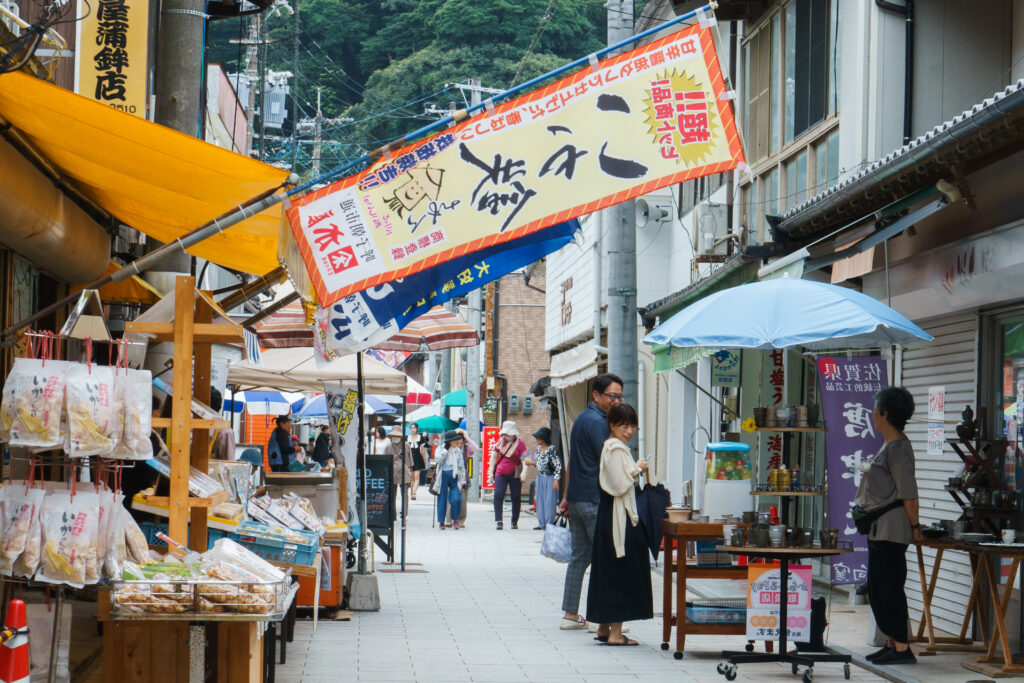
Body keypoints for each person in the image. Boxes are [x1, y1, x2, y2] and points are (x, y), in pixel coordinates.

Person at [856, 387, 921, 666]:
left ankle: (903, 648)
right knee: (880, 586)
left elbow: (909, 493)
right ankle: (893, 643)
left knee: (888, 587)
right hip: (879, 528)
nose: (872, 415)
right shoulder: (890, 446)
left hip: (891, 529)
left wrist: (916, 526)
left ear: (884, 413)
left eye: (875, 410)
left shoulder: (898, 449)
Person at [558, 373, 624, 630]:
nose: (617, 400)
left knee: (580, 557)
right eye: (612, 396)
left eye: (620, 395)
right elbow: (608, 461)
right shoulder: (598, 422)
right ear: (596, 395)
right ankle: (607, 619)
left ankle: (570, 614)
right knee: (606, 558)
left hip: (578, 497)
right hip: (595, 499)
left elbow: (572, 460)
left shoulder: (582, 419)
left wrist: (566, 497)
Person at [585, 403, 652, 646]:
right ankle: (615, 633)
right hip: (618, 519)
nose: (629, 430)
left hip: (611, 517)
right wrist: (637, 469)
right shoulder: (615, 449)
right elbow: (617, 484)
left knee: (608, 570)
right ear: (611, 425)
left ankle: (605, 628)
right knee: (621, 571)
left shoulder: (613, 447)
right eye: (623, 425)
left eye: (632, 425)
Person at [490, 420, 526, 530]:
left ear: (514, 433)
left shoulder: (521, 443)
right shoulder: (500, 442)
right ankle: (499, 521)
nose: (506, 436)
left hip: (515, 473)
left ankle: (514, 521)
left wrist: (524, 472)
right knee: (498, 495)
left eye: (508, 434)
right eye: (505, 434)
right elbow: (493, 457)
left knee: (516, 497)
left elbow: (527, 459)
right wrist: (491, 472)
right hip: (500, 472)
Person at [432, 429, 468, 529]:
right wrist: (445, 451)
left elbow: (461, 467)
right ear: (449, 441)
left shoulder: (458, 451)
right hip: (442, 476)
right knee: (442, 499)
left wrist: (463, 481)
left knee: (457, 498)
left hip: (454, 476)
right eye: (455, 440)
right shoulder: (440, 449)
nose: (457, 442)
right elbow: (438, 461)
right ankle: (441, 522)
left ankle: (455, 519)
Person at [532, 427, 561, 530]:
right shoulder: (538, 449)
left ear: (543, 438)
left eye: (537, 437)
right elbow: (539, 463)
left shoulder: (552, 449)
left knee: (549, 501)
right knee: (540, 500)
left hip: (550, 478)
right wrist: (532, 463)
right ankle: (542, 523)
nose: (536, 439)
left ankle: (549, 524)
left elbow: (558, 465)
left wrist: (556, 480)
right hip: (540, 477)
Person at [388, 426, 413, 520]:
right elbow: (410, 462)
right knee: (399, 494)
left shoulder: (405, 445)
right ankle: (396, 514)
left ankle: (400, 514)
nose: (395, 437)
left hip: (400, 472)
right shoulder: (391, 445)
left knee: (401, 494)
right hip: (398, 471)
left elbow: (410, 460)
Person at [408, 422, 427, 500]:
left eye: (414, 428)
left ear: (417, 429)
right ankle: (411, 491)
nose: (413, 429)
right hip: (410, 459)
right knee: (411, 477)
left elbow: (422, 450)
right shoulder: (407, 437)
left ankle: (414, 492)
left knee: (416, 477)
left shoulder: (420, 437)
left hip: (418, 458)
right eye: (411, 428)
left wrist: (424, 459)